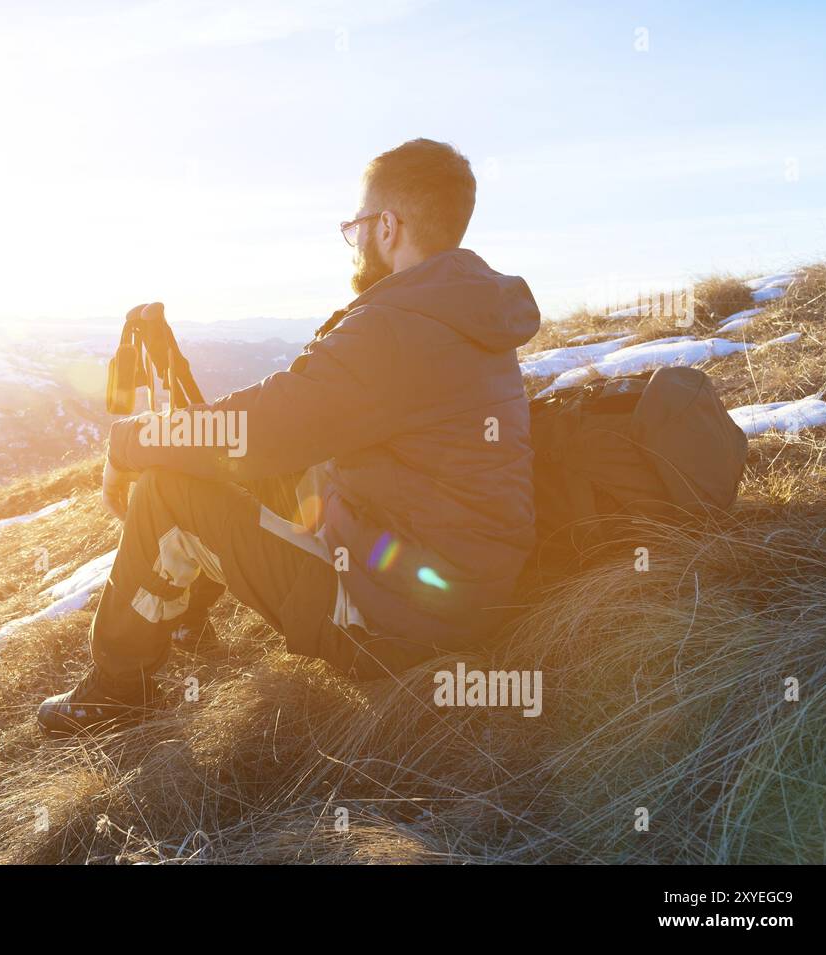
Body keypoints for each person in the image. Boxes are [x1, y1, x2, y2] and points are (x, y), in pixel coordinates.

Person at [38, 138, 541, 735]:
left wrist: (127, 445)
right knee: (244, 467)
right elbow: (285, 429)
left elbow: (258, 429)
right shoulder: (461, 308)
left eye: (355, 228)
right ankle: (186, 614)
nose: (354, 243)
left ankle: (119, 691)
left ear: (387, 226)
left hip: (399, 624)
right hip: (456, 586)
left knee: (169, 489)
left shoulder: (398, 327)